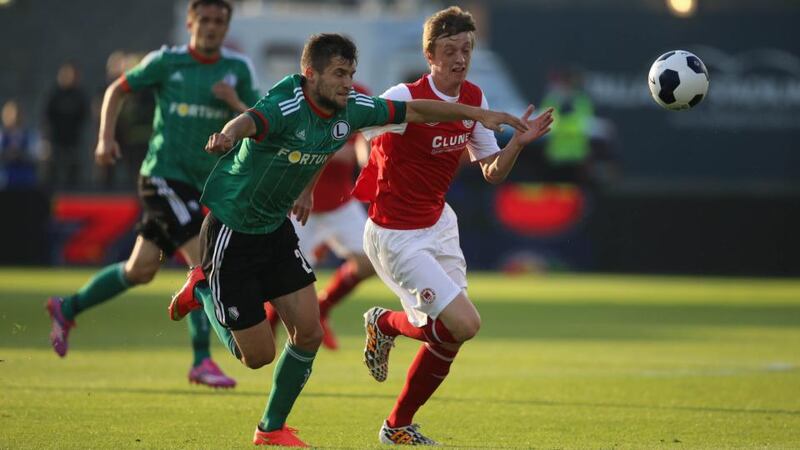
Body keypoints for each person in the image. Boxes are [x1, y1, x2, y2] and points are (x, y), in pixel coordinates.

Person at [167, 32, 528, 447]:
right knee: (257, 357)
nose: (347, 82)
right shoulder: (287, 102)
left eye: (351, 73)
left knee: (310, 333)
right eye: (339, 73)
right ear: (310, 74)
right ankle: (202, 290)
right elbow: (249, 119)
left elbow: (415, 111)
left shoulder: (353, 107)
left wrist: (477, 114)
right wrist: (229, 136)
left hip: (275, 229)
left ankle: (270, 430)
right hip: (233, 228)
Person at [352, 7, 553, 445]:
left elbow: (491, 172)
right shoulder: (405, 92)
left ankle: (397, 427)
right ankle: (386, 324)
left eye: (466, 49)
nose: (460, 58)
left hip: (439, 224)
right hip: (395, 233)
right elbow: (360, 127)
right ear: (429, 54)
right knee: (464, 324)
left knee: (450, 336)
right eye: (449, 50)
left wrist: (516, 143)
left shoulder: (477, 100)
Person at [45, 0, 260, 389]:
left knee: (139, 269)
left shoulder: (238, 70)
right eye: (205, 20)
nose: (211, 27)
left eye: (219, 21)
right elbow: (116, 90)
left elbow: (260, 121)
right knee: (205, 263)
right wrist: (105, 138)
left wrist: (233, 102)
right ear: (191, 22)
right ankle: (203, 358)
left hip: (204, 185)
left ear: (226, 28)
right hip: (163, 177)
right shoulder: (168, 61)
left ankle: (67, 307)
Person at [264, 82, 375, 351]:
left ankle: (323, 308)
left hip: (340, 202)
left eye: (347, 69)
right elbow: (291, 144)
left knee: (370, 260)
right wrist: (334, 149)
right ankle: (268, 327)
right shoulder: (298, 99)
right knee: (287, 279)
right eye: (338, 71)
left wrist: (365, 156)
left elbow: (363, 136)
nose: (344, 76)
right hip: (299, 204)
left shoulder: (358, 93)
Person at [42, 62, 90, 190]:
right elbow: (46, 117)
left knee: (72, 169)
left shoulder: (79, 96)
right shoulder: (54, 95)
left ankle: (73, 194)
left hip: (72, 141)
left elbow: (84, 115)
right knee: (52, 169)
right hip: (56, 140)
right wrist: (47, 139)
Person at [0, 100, 42, 190]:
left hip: (26, 179)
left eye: (15, 114)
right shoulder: (2, 136)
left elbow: (37, 155)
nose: (12, 118)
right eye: (8, 115)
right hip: (6, 179)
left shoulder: (30, 135)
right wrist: (7, 154)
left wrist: (21, 154)